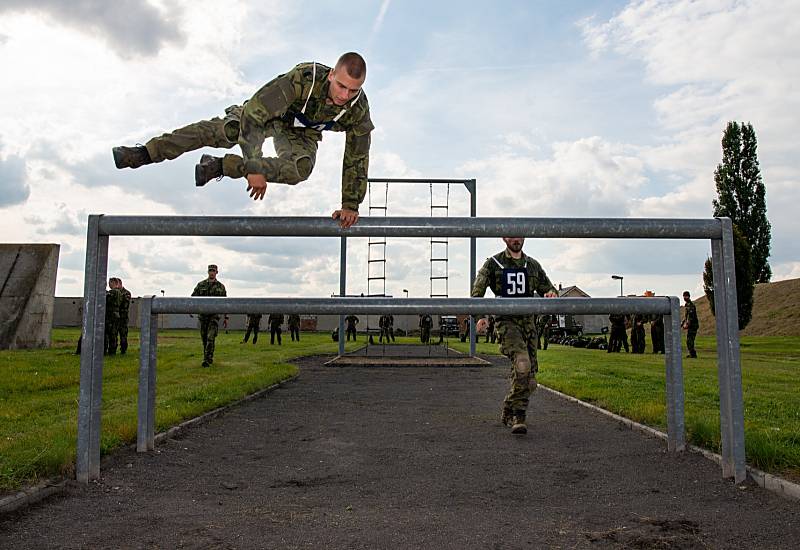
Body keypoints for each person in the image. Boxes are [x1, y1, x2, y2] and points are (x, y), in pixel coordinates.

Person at [112, 52, 373, 229]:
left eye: (353, 90)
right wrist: (254, 167)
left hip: (301, 133)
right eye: (341, 86)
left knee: (300, 168)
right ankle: (146, 152)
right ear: (331, 76)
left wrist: (350, 204)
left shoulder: (358, 109)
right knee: (228, 131)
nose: (344, 95)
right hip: (267, 115)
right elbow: (255, 115)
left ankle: (221, 166)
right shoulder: (304, 79)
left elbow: (357, 157)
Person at [472, 237, 557, 435]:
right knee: (522, 365)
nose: (516, 239)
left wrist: (551, 293)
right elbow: (477, 293)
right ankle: (519, 416)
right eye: (511, 235)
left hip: (529, 326)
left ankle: (509, 407)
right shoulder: (493, 264)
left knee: (530, 381)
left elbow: (549, 287)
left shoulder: (532, 265)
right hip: (507, 323)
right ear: (504, 238)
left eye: (519, 234)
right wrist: (481, 317)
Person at [191, 264, 227, 368]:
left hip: (214, 317)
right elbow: (193, 298)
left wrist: (226, 318)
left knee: (211, 337)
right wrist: (190, 310)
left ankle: (206, 360)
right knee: (204, 339)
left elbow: (226, 304)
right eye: (210, 270)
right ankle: (208, 357)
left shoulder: (221, 287)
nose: (212, 272)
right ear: (208, 272)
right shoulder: (201, 285)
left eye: (213, 271)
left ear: (217, 272)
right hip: (203, 317)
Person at [104, 278, 123, 355]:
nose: (109, 284)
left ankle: (108, 351)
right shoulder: (119, 292)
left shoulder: (113, 292)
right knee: (114, 334)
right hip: (116, 314)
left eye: (110, 283)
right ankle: (112, 351)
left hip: (110, 315)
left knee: (108, 334)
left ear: (113, 283)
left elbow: (105, 299)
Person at [115, 278, 132, 355]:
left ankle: (123, 350)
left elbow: (124, 304)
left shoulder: (126, 293)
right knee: (113, 334)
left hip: (123, 317)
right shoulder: (114, 293)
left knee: (123, 334)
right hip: (115, 317)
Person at [682, 291, 699, 358]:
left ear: (689, 296)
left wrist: (687, 325)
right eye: (684, 296)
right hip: (690, 326)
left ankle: (693, 354)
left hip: (693, 326)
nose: (684, 297)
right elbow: (686, 316)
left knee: (690, 340)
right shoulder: (687, 305)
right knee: (689, 340)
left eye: (686, 296)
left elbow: (690, 317)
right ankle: (692, 353)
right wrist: (683, 322)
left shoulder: (691, 306)